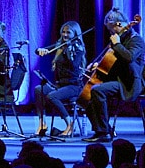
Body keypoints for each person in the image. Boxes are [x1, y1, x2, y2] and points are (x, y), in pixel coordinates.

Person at [82, 8, 145, 143]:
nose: (110, 33)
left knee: (97, 90)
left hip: (130, 84)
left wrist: (116, 44)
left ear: (119, 25)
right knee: (85, 96)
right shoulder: (119, 40)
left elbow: (129, 58)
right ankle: (103, 129)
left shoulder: (136, 40)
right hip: (117, 80)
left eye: (111, 30)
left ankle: (104, 132)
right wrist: (97, 65)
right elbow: (113, 63)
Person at [33, 21, 86, 137]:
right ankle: (42, 123)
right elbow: (38, 50)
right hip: (60, 85)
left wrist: (67, 49)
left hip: (74, 86)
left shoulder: (78, 48)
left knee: (52, 96)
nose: (65, 35)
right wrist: (41, 50)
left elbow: (74, 65)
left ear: (75, 33)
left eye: (68, 32)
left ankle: (70, 124)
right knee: (39, 89)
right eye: (63, 32)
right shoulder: (59, 45)